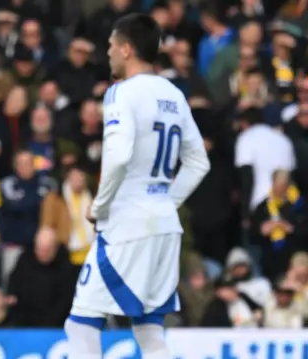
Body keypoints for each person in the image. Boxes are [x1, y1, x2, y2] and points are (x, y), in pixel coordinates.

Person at [64, 14, 211, 359]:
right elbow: (199, 162)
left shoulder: (121, 93)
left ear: (127, 49)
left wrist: (99, 208)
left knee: (81, 324)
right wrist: (166, 202)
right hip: (163, 225)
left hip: (127, 223)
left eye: (112, 46)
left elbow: (117, 156)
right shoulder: (174, 94)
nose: (109, 52)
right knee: (149, 331)